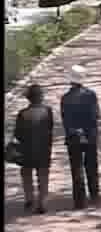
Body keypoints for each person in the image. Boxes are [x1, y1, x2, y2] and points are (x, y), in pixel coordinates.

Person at [60, 65, 100, 209]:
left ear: (70, 80)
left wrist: (75, 131)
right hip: (90, 135)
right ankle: (94, 195)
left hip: (73, 137)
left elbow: (65, 119)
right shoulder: (91, 95)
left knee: (76, 168)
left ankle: (79, 201)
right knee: (91, 166)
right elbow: (95, 115)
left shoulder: (65, 98)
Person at [13, 84, 54, 214]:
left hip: (27, 150)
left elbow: (17, 134)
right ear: (40, 97)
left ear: (29, 99)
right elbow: (50, 128)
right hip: (43, 149)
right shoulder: (48, 111)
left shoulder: (22, 114)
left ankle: (29, 198)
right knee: (43, 176)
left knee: (26, 174)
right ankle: (42, 202)